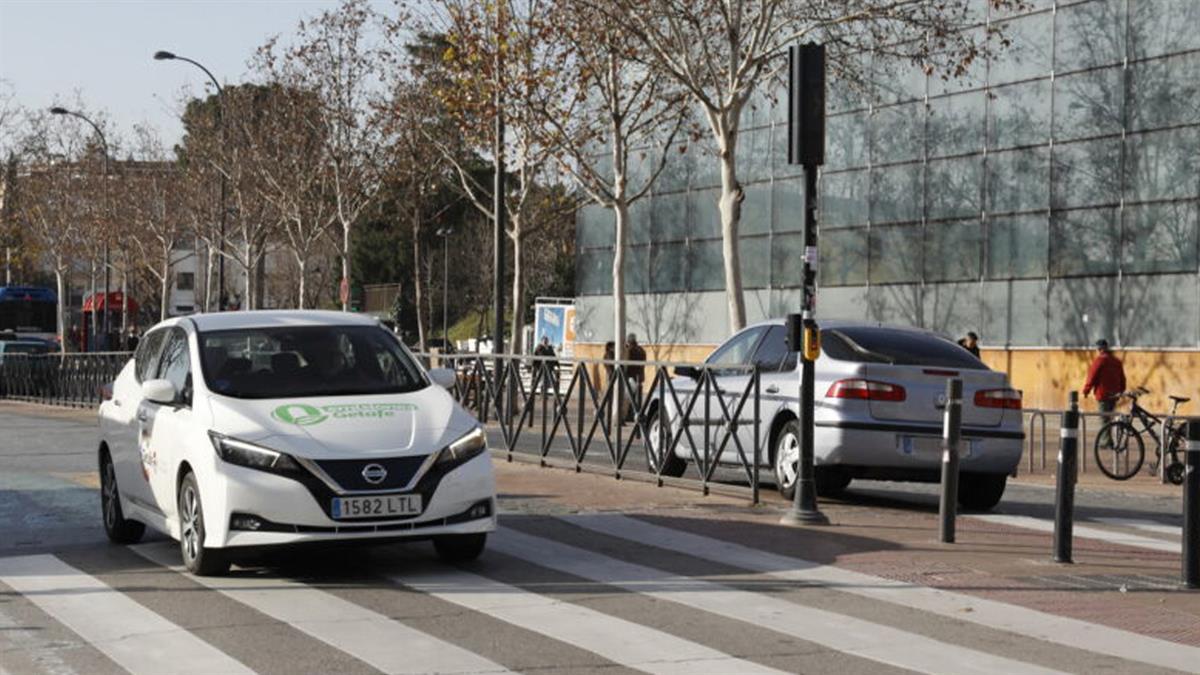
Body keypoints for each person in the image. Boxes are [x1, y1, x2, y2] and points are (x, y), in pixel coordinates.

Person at [1083, 339, 1127, 447]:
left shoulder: (1100, 361)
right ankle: (1108, 440)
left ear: (1099, 349)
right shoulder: (1116, 361)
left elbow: (1092, 376)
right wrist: (1121, 391)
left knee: (1103, 418)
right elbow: (1122, 378)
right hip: (1114, 394)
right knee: (1109, 418)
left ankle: (1106, 441)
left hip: (1103, 394)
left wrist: (1086, 390)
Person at [624, 333, 647, 422]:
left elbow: (627, 363)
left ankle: (631, 415)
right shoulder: (641, 350)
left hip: (631, 376)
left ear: (629, 341)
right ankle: (637, 414)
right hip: (640, 376)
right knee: (637, 397)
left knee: (629, 397)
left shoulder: (629, 350)